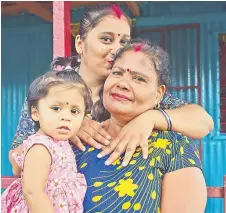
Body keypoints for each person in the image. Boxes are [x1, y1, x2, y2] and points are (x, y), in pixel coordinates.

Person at [10, 4, 213, 167]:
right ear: (80, 44)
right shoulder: (52, 89)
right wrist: (65, 123)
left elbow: (203, 123)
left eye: (124, 42)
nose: (117, 50)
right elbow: (16, 159)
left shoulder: (129, 91)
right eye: (106, 39)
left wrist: (151, 118)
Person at [74, 39, 207, 213]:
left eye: (139, 79)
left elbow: (204, 121)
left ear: (159, 94)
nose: (122, 83)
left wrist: (150, 118)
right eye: (117, 73)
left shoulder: (175, 148)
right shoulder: (81, 136)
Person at [2, 69, 92, 212]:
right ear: (35, 113)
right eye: (56, 108)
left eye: (74, 111)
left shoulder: (60, 142)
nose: (66, 117)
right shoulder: (40, 147)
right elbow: (33, 193)